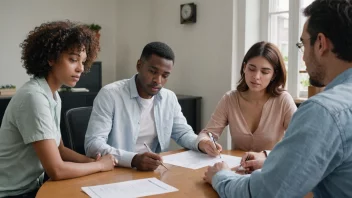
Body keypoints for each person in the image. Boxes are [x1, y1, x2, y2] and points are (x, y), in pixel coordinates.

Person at [203, 0, 352, 197]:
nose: (303, 57)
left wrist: (220, 176)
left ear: (321, 44)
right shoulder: (230, 98)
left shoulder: (323, 111)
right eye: (252, 69)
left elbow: (265, 193)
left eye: (302, 44)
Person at [0, 21, 117, 198]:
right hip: (12, 193)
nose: (80, 69)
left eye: (83, 62)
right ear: (51, 58)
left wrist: (91, 161)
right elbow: (57, 170)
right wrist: (100, 166)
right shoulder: (34, 97)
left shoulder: (53, 95)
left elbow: (60, 150)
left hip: (34, 186)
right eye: (73, 59)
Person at [84, 41, 220, 171]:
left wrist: (202, 143)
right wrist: (134, 159)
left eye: (165, 75)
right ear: (139, 65)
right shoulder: (110, 95)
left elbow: (183, 133)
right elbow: (93, 145)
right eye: (153, 72)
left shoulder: (169, 98)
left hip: (155, 171)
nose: (158, 81)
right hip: (116, 170)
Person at [198, 41, 297, 155]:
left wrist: (265, 156)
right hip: (238, 168)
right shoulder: (230, 99)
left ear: (274, 75)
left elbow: (299, 141)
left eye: (265, 72)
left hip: (270, 168)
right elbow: (207, 133)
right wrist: (205, 143)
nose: (256, 76)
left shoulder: (283, 100)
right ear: (244, 67)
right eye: (251, 69)